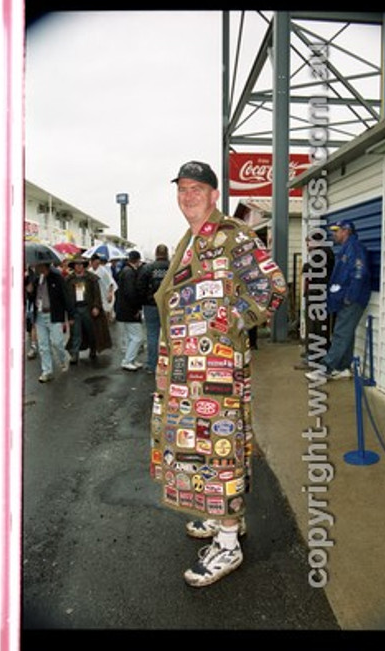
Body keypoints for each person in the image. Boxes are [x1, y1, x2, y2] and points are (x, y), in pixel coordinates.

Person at [150, 160, 287, 587]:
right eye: (182, 189)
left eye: (196, 189)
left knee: (220, 450)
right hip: (186, 371)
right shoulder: (191, 239)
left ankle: (228, 543)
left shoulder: (234, 236)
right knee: (204, 452)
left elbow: (272, 288)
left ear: (214, 195)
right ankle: (219, 516)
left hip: (215, 371)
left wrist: (226, 324)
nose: (187, 196)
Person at [305, 219, 371, 381]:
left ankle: (326, 369)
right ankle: (343, 367)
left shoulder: (354, 249)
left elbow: (359, 273)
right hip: (345, 298)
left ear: (346, 231)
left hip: (352, 299)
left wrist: (350, 296)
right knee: (346, 333)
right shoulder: (347, 248)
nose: (334, 234)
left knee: (341, 333)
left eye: (337, 231)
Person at [25, 260, 74, 382]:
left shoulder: (57, 278)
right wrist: (29, 291)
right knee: (43, 346)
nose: (35, 267)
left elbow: (65, 296)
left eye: (37, 265)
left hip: (54, 314)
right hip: (40, 316)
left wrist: (71, 316)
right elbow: (32, 298)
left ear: (43, 265)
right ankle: (47, 371)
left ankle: (63, 359)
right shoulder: (36, 279)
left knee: (57, 342)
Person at [294, 230, 335, 369]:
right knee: (316, 327)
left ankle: (314, 359)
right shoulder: (321, 253)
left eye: (309, 243)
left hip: (318, 297)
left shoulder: (321, 254)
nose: (307, 246)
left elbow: (308, 270)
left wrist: (306, 267)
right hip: (317, 295)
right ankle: (313, 355)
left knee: (315, 327)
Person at [64, 254, 112, 364]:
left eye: (81, 264)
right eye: (77, 264)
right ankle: (75, 354)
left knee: (92, 331)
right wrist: (68, 313)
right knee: (76, 333)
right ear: (74, 266)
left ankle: (93, 349)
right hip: (75, 309)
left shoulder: (91, 278)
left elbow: (97, 294)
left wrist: (96, 307)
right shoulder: (69, 280)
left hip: (88, 309)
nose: (79, 266)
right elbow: (66, 297)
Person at [136, 244, 170, 374]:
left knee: (152, 334)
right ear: (166, 254)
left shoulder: (148, 268)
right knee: (170, 335)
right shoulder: (173, 267)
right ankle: (169, 365)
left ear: (156, 254)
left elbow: (140, 287)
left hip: (151, 305)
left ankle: (152, 365)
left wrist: (144, 301)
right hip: (169, 305)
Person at [115, 250, 144, 371]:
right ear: (137, 260)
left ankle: (131, 359)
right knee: (138, 337)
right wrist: (137, 308)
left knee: (130, 337)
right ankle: (127, 360)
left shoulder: (125, 271)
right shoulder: (130, 273)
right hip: (129, 310)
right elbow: (131, 293)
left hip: (123, 309)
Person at [89, 253, 118, 323]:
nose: (97, 265)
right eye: (96, 263)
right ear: (91, 262)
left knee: (105, 311)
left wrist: (110, 293)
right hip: (95, 294)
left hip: (104, 293)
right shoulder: (89, 271)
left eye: (98, 263)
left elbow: (111, 283)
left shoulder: (104, 271)